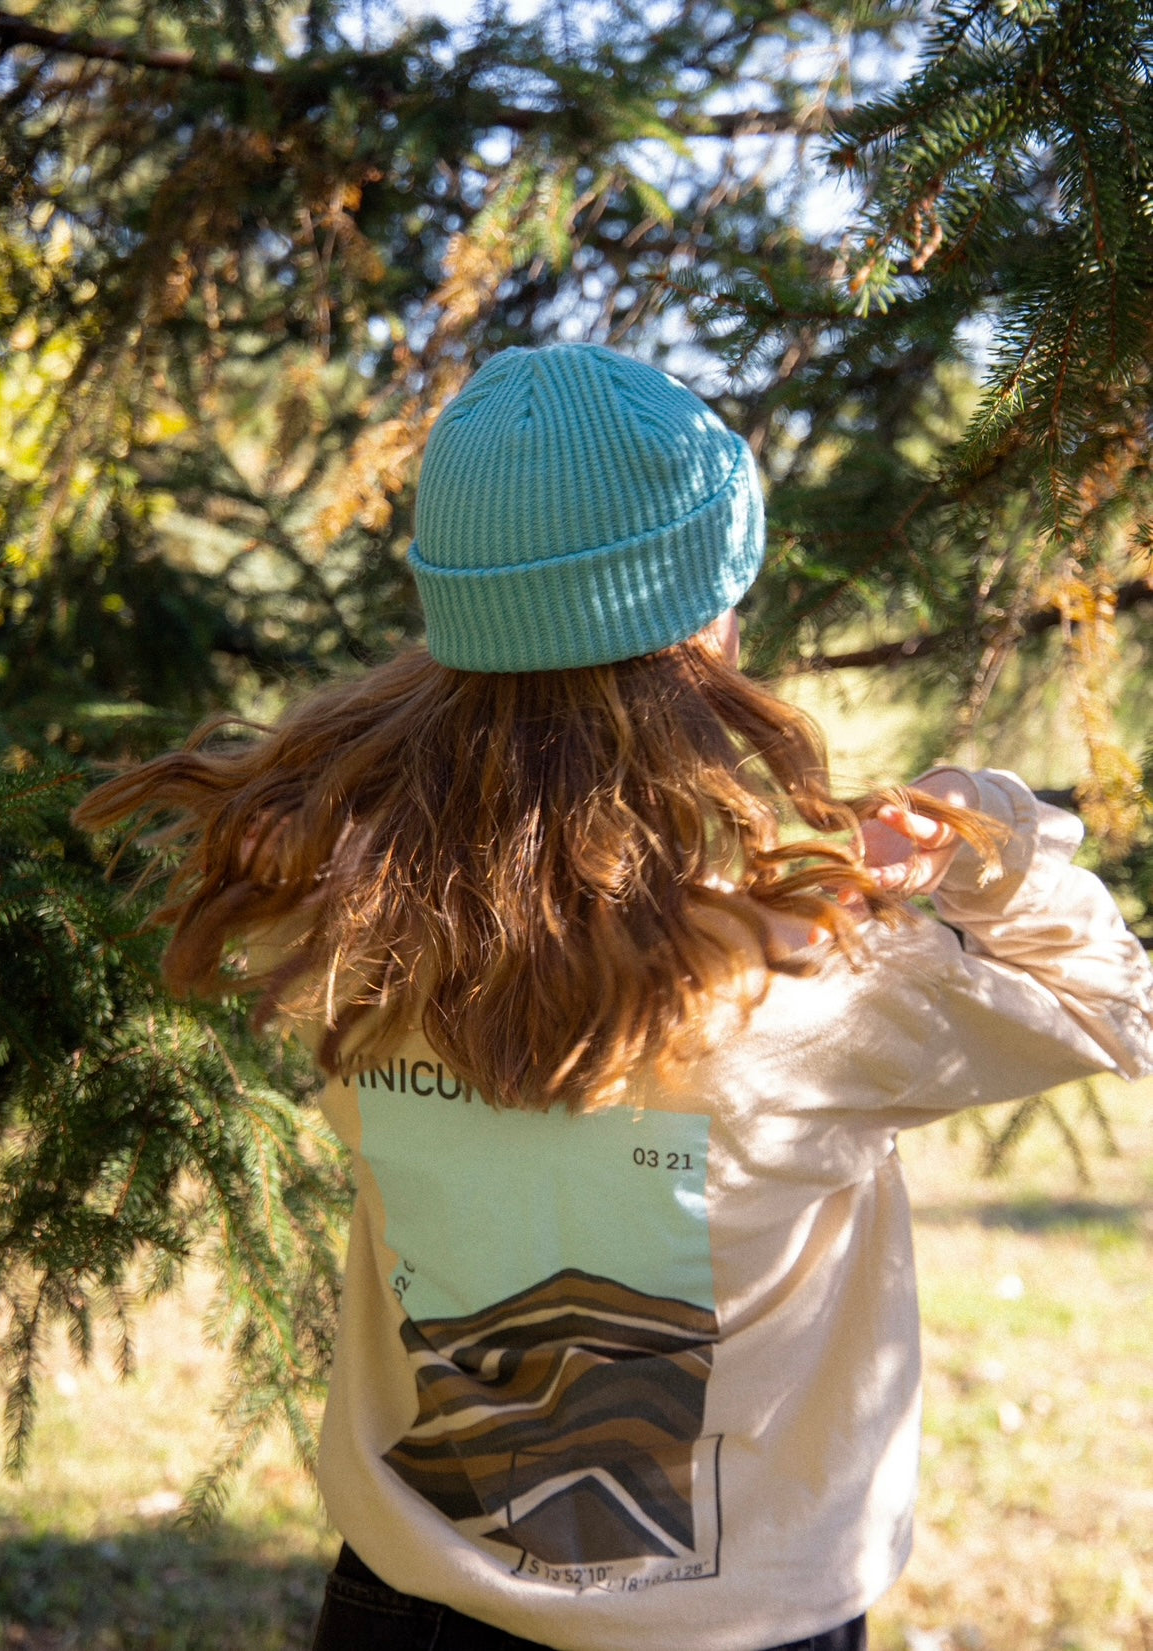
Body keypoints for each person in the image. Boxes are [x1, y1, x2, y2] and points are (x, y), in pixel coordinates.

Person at [75, 344, 1153, 1651]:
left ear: (455, 628)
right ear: (705, 634)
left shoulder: (344, 941)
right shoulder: (806, 988)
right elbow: (1112, 1005)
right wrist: (978, 831)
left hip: (402, 1608)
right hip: (737, 1629)